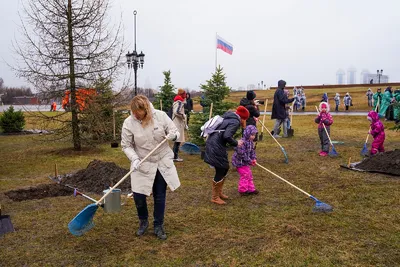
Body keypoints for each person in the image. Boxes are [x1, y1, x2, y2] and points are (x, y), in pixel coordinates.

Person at [121, 95, 181, 240]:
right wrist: (134, 158)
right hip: (142, 161)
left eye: (138, 112)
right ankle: (143, 221)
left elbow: (175, 131)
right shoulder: (129, 123)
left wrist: (173, 136)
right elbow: (126, 145)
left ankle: (158, 225)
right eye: (133, 112)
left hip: (161, 160)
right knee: (138, 195)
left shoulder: (160, 116)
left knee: (160, 195)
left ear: (146, 109)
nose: (136, 115)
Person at [204, 106, 249, 205]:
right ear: (242, 118)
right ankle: (215, 197)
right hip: (215, 145)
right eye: (245, 120)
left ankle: (219, 193)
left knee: (225, 168)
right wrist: (236, 143)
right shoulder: (235, 122)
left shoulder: (228, 118)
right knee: (221, 168)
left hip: (214, 143)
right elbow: (227, 136)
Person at [231, 125, 258, 195]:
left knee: (249, 175)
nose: (253, 136)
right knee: (245, 175)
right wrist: (249, 161)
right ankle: (243, 190)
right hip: (239, 162)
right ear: (247, 133)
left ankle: (251, 189)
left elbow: (252, 151)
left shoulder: (251, 142)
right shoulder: (242, 143)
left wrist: (254, 159)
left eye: (254, 135)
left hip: (245, 162)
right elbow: (242, 154)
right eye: (252, 135)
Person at [172, 88, 187, 162]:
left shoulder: (176, 101)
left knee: (177, 140)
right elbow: (177, 112)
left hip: (176, 122)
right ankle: (175, 156)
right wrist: (183, 115)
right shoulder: (179, 102)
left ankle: (174, 155)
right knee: (178, 140)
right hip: (178, 123)